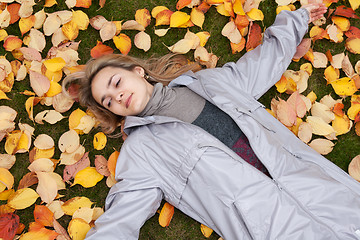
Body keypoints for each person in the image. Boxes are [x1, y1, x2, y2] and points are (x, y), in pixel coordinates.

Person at [63, 2, 360, 240]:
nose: (118, 97)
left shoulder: (208, 82)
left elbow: (263, 63)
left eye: (116, 83)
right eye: (109, 101)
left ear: (136, 71)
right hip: (268, 226)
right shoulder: (141, 152)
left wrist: (297, 19)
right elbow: (121, 218)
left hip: (320, 187)